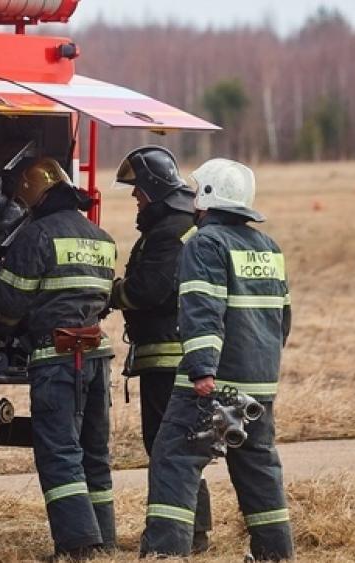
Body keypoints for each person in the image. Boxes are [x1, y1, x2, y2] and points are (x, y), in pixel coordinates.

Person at [140, 158, 294, 561]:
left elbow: (202, 309)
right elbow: (282, 318)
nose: (193, 197)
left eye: (197, 190)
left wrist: (202, 369)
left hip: (215, 385)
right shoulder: (268, 247)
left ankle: (165, 553)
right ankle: (276, 554)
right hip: (259, 383)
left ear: (208, 196)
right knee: (258, 467)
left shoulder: (204, 243)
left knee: (174, 459)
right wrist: (261, 367)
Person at [0, 157, 116, 559]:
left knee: (60, 452)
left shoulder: (37, 235)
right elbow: (104, 299)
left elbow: (10, 302)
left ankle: (78, 545)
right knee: (94, 451)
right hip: (97, 354)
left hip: (58, 356)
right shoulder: (101, 237)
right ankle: (104, 538)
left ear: (33, 196)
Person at [108, 146, 212, 551]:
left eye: (138, 189)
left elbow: (148, 290)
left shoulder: (169, 231)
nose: (135, 197)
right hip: (177, 354)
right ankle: (192, 530)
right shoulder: (182, 223)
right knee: (180, 443)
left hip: (168, 357)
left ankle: (180, 536)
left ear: (152, 189)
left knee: (169, 446)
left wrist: (111, 293)